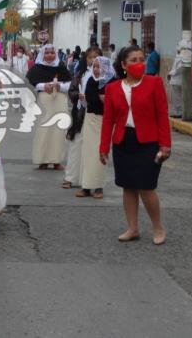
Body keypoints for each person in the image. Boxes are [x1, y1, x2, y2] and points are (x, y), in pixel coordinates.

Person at [99, 45, 172, 245]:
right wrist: (103, 147)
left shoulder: (154, 83)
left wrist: (165, 144)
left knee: (146, 187)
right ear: (123, 65)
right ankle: (133, 228)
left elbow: (162, 115)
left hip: (148, 142)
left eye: (142, 59)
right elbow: (108, 120)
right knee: (128, 187)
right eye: (133, 60)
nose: (139, 63)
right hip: (124, 141)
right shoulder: (113, 88)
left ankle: (158, 228)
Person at [27, 44, 72, 170]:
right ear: (42, 54)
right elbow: (28, 84)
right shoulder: (36, 68)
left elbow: (70, 84)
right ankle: (42, 160)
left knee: (58, 130)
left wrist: (60, 86)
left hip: (59, 100)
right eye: (47, 53)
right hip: (44, 102)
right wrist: (43, 86)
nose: (50, 55)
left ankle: (57, 160)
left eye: (52, 53)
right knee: (43, 130)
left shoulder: (61, 67)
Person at [62, 46, 101, 188]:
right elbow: (72, 90)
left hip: (95, 114)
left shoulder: (104, 76)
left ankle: (89, 180)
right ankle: (70, 177)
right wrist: (77, 96)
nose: (92, 60)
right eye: (90, 57)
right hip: (80, 115)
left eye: (96, 57)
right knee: (75, 145)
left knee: (92, 148)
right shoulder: (80, 75)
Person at [77, 55, 116, 199]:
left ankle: (98, 187)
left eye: (99, 67)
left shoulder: (112, 82)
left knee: (100, 153)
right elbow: (89, 101)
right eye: (94, 66)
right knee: (87, 154)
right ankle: (86, 187)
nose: (96, 69)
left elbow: (118, 103)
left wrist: (108, 100)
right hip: (90, 119)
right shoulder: (92, 81)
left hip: (104, 122)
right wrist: (85, 100)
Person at [167, 44, 184, 118]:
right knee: (176, 97)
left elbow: (178, 69)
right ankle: (177, 112)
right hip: (175, 80)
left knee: (177, 97)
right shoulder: (178, 57)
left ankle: (179, 112)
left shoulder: (181, 58)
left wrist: (170, 73)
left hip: (177, 80)